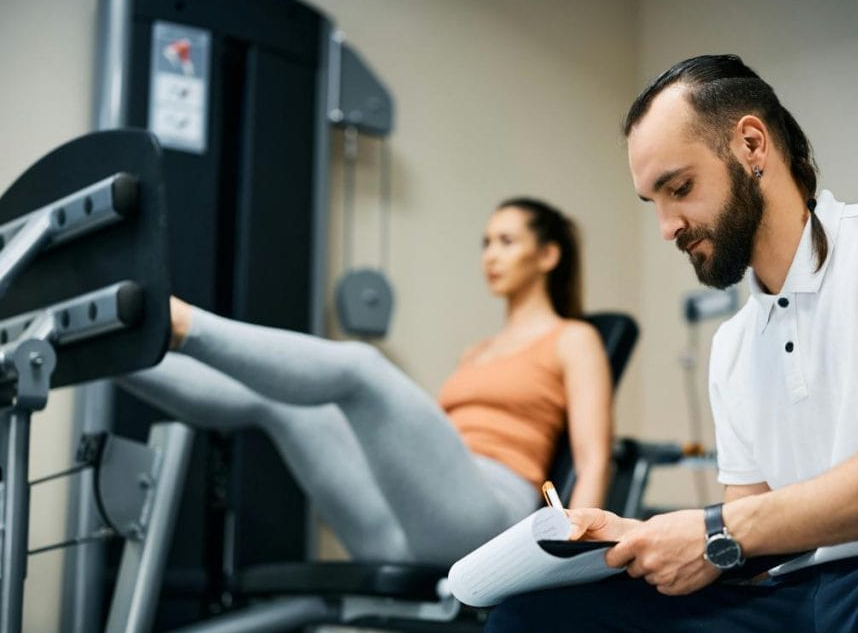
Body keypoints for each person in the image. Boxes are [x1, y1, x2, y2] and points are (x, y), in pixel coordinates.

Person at [480, 55, 858, 633]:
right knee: (533, 628)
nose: (666, 226)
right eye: (652, 200)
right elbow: (751, 544)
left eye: (679, 188)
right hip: (804, 608)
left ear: (751, 144)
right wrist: (642, 538)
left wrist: (718, 527)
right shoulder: (733, 346)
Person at [119, 197, 612, 565]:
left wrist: (563, 557)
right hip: (405, 529)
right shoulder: (476, 353)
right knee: (284, 404)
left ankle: (182, 323)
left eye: (507, 242)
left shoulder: (573, 338)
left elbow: (594, 459)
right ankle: (120, 361)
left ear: (548, 256)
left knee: (362, 369)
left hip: (489, 518)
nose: (490, 256)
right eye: (485, 243)